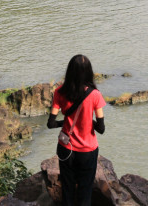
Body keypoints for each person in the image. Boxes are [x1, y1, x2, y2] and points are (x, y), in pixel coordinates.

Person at [47, 54, 106, 206]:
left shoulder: (59, 92)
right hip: (87, 151)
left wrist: (66, 122)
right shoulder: (95, 95)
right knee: (85, 191)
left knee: (67, 189)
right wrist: (89, 122)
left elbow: (51, 124)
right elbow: (101, 128)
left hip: (66, 148)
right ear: (89, 72)